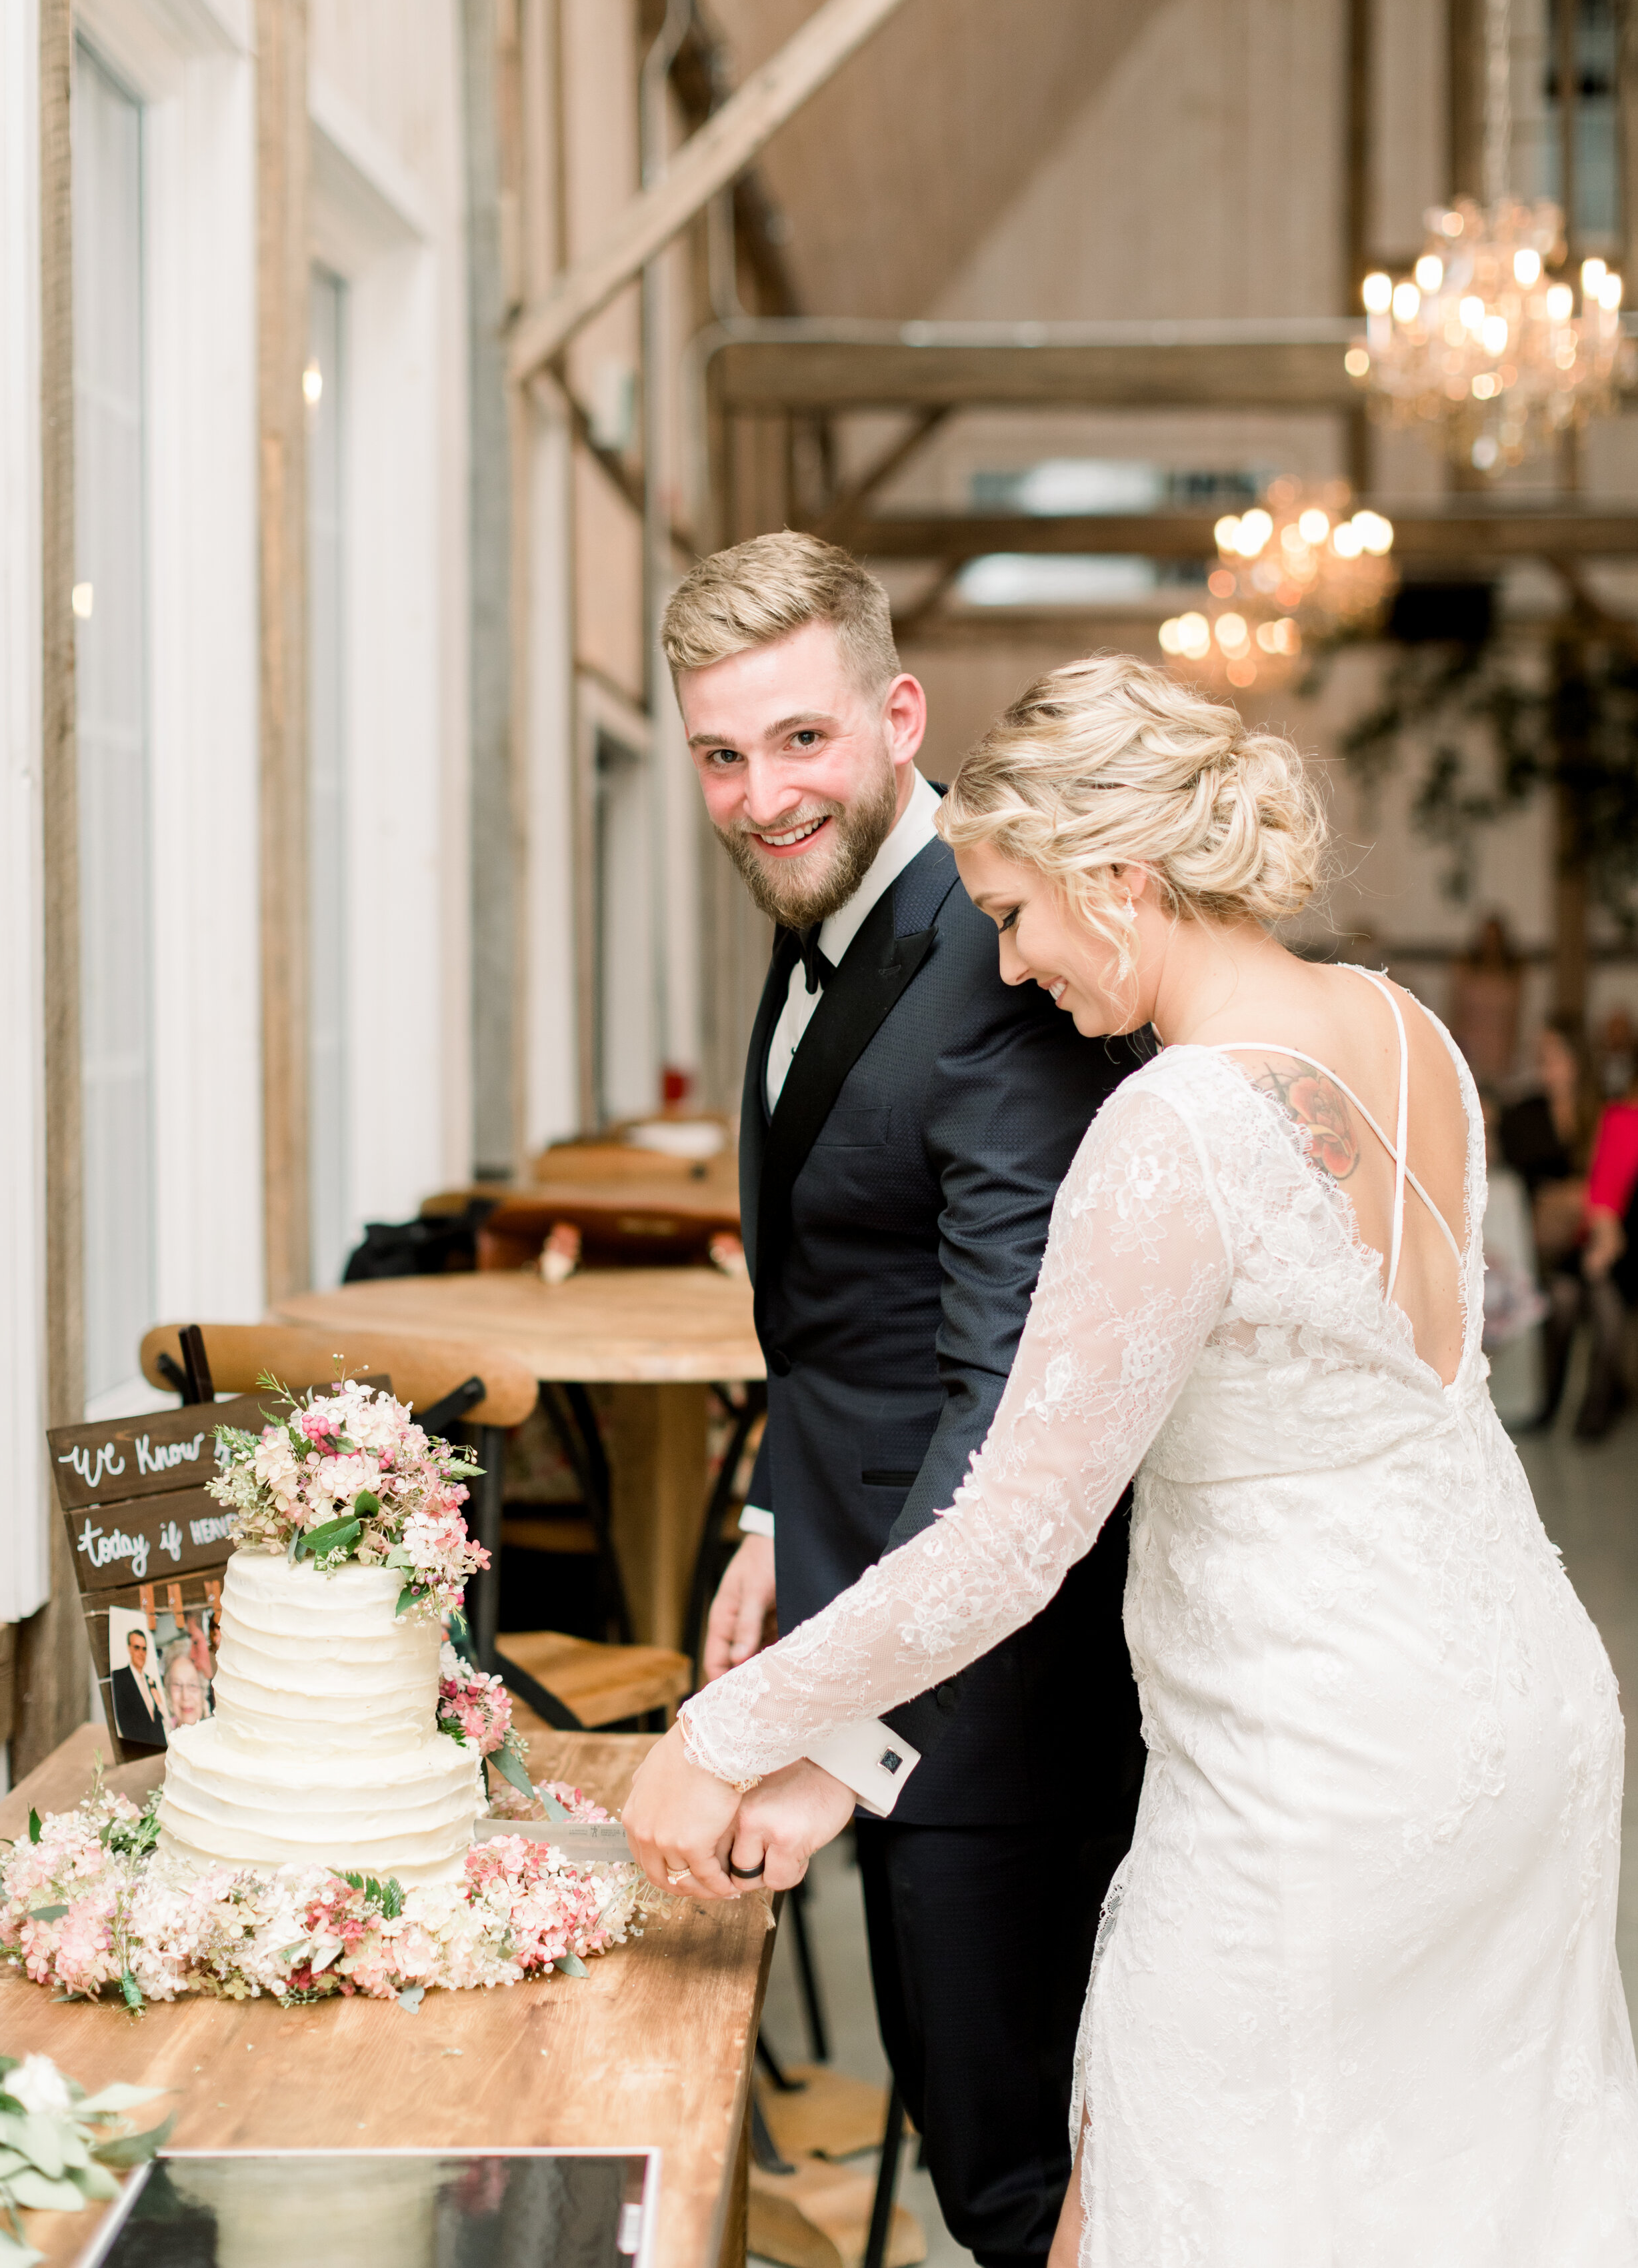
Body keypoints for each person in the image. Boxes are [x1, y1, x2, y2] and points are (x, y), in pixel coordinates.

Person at [624, 654, 1638, 2263]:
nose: (1013, 969)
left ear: (1118, 881)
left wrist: (730, 1727)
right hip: (1530, 1718)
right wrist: (842, 1759)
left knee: (1162, 2197)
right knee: (1460, 2194)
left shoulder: (1173, 1128)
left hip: (1307, 1775)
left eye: (1017, 915)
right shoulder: (1407, 1030)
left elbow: (1011, 1535)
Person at [657, 535, 1147, 2267]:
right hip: (857, 1582)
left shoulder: (997, 959)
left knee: (1015, 2177)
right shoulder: (837, 907)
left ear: (896, 710)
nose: (759, 795)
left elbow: (1004, 1399)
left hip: (986, 1703)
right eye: (720, 753)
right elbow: (837, 1298)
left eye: (799, 741)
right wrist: (778, 1510)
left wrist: (837, 1717)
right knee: (977, 2144)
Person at [1501, 1018, 1597, 1433]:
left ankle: (1598, 1409)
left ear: (1576, 1061)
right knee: (1564, 1294)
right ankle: (1549, 1405)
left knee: (1599, 1298)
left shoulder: (1601, 1114)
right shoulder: (1526, 1112)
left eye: (1553, 1054)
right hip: (1542, 1238)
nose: (1545, 1063)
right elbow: (1524, 1179)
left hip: (1592, 1240)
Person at [1577, 1087, 1638, 1444]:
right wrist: (1605, 1240)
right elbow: (1604, 1196)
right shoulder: (1623, 1119)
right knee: (1605, 1297)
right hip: (1625, 1245)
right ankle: (1598, 1402)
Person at [1447, 910, 1524, 1088]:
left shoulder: (1513, 974)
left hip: (1499, 1050)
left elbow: (1515, 1017)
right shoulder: (1465, 969)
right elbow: (1456, 1011)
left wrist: (1512, 1051)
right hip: (1470, 1047)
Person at [109, 1626, 168, 1747]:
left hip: (159, 1745)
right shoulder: (118, 1677)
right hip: (137, 1748)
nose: (141, 1653)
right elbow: (122, 1718)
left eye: (144, 1649)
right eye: (137, 1648)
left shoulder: (151, 1681)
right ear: (129, 1648)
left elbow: (157, 1718)